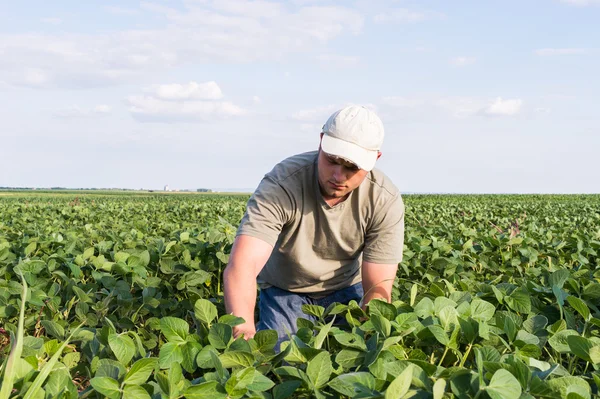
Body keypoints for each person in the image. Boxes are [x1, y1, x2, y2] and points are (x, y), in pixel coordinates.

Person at [223, 105, 405, 349]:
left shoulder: (384, 198)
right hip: (286, 289)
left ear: (375, 159)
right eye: (332, 160)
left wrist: (368, 328)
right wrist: (243, 329)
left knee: (354, 361)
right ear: (321, 142)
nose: (339, 176)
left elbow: (378, 286)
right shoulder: (283, 183)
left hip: (346, 287)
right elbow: (243, 265)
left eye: (351, 167)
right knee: (283, 359)